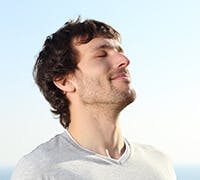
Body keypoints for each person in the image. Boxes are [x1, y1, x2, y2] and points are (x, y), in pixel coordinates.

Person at [11, 17, 177, 180]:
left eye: (120, 52)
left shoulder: (159, 164)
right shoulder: (41, 170)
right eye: (101, 55)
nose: (124, 61)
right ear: (64, 81)